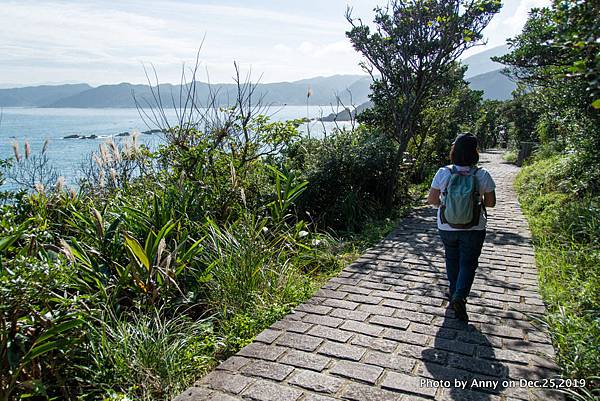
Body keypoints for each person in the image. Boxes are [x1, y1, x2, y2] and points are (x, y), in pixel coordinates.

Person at [427, 133, 496, 322]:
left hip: (447, 226)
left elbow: (432, 200)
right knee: (468, 263)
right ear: (475, 152)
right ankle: (460, 295)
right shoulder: (482, 174)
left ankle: (453, 290)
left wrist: (448, 201)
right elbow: (490, 203)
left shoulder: (444, 173)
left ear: (454, 151)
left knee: (452, 258)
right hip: (474, 227)